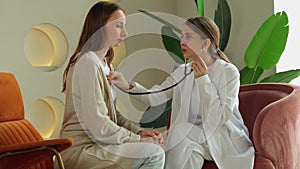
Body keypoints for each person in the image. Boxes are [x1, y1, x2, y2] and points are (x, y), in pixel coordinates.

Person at [108, 17, 255, 169]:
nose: (182, 41)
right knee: (186, 150)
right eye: (182, 36)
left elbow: (220, 117)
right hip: (191, 137)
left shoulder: (228, 72)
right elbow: (156, 96)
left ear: (206, 43)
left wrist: (203, 80)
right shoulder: (182, 71)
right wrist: (127, 85)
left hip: (222, 138)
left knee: (180, 132)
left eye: (188, 37)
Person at [60, 2, 165, 169]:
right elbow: (99, 124)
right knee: (153, 154)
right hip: (81, 149)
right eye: (118, 26)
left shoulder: (106, 65)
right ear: (100, 27)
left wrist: (139, 132)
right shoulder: (88, 62)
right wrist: (138, 140)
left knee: (155, 148)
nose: (125, 33)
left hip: (101, 145)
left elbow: (112, 115)